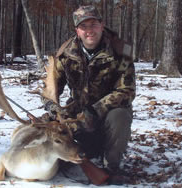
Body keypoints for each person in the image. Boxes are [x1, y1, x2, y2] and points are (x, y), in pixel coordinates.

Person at [44, 5, 136, 184]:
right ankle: (54, 162)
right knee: (45, 122)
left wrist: (94, 111)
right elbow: (49, 90)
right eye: (83, 27)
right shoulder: (65, 54)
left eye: (93, 25)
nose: (89, 31)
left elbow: (127, 91)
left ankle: (112, 167)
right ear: (77, 31)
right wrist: (54, 109)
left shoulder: (120, 51)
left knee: (120, 116)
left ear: (102, 25)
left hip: (107, 115)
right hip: (78, 115)